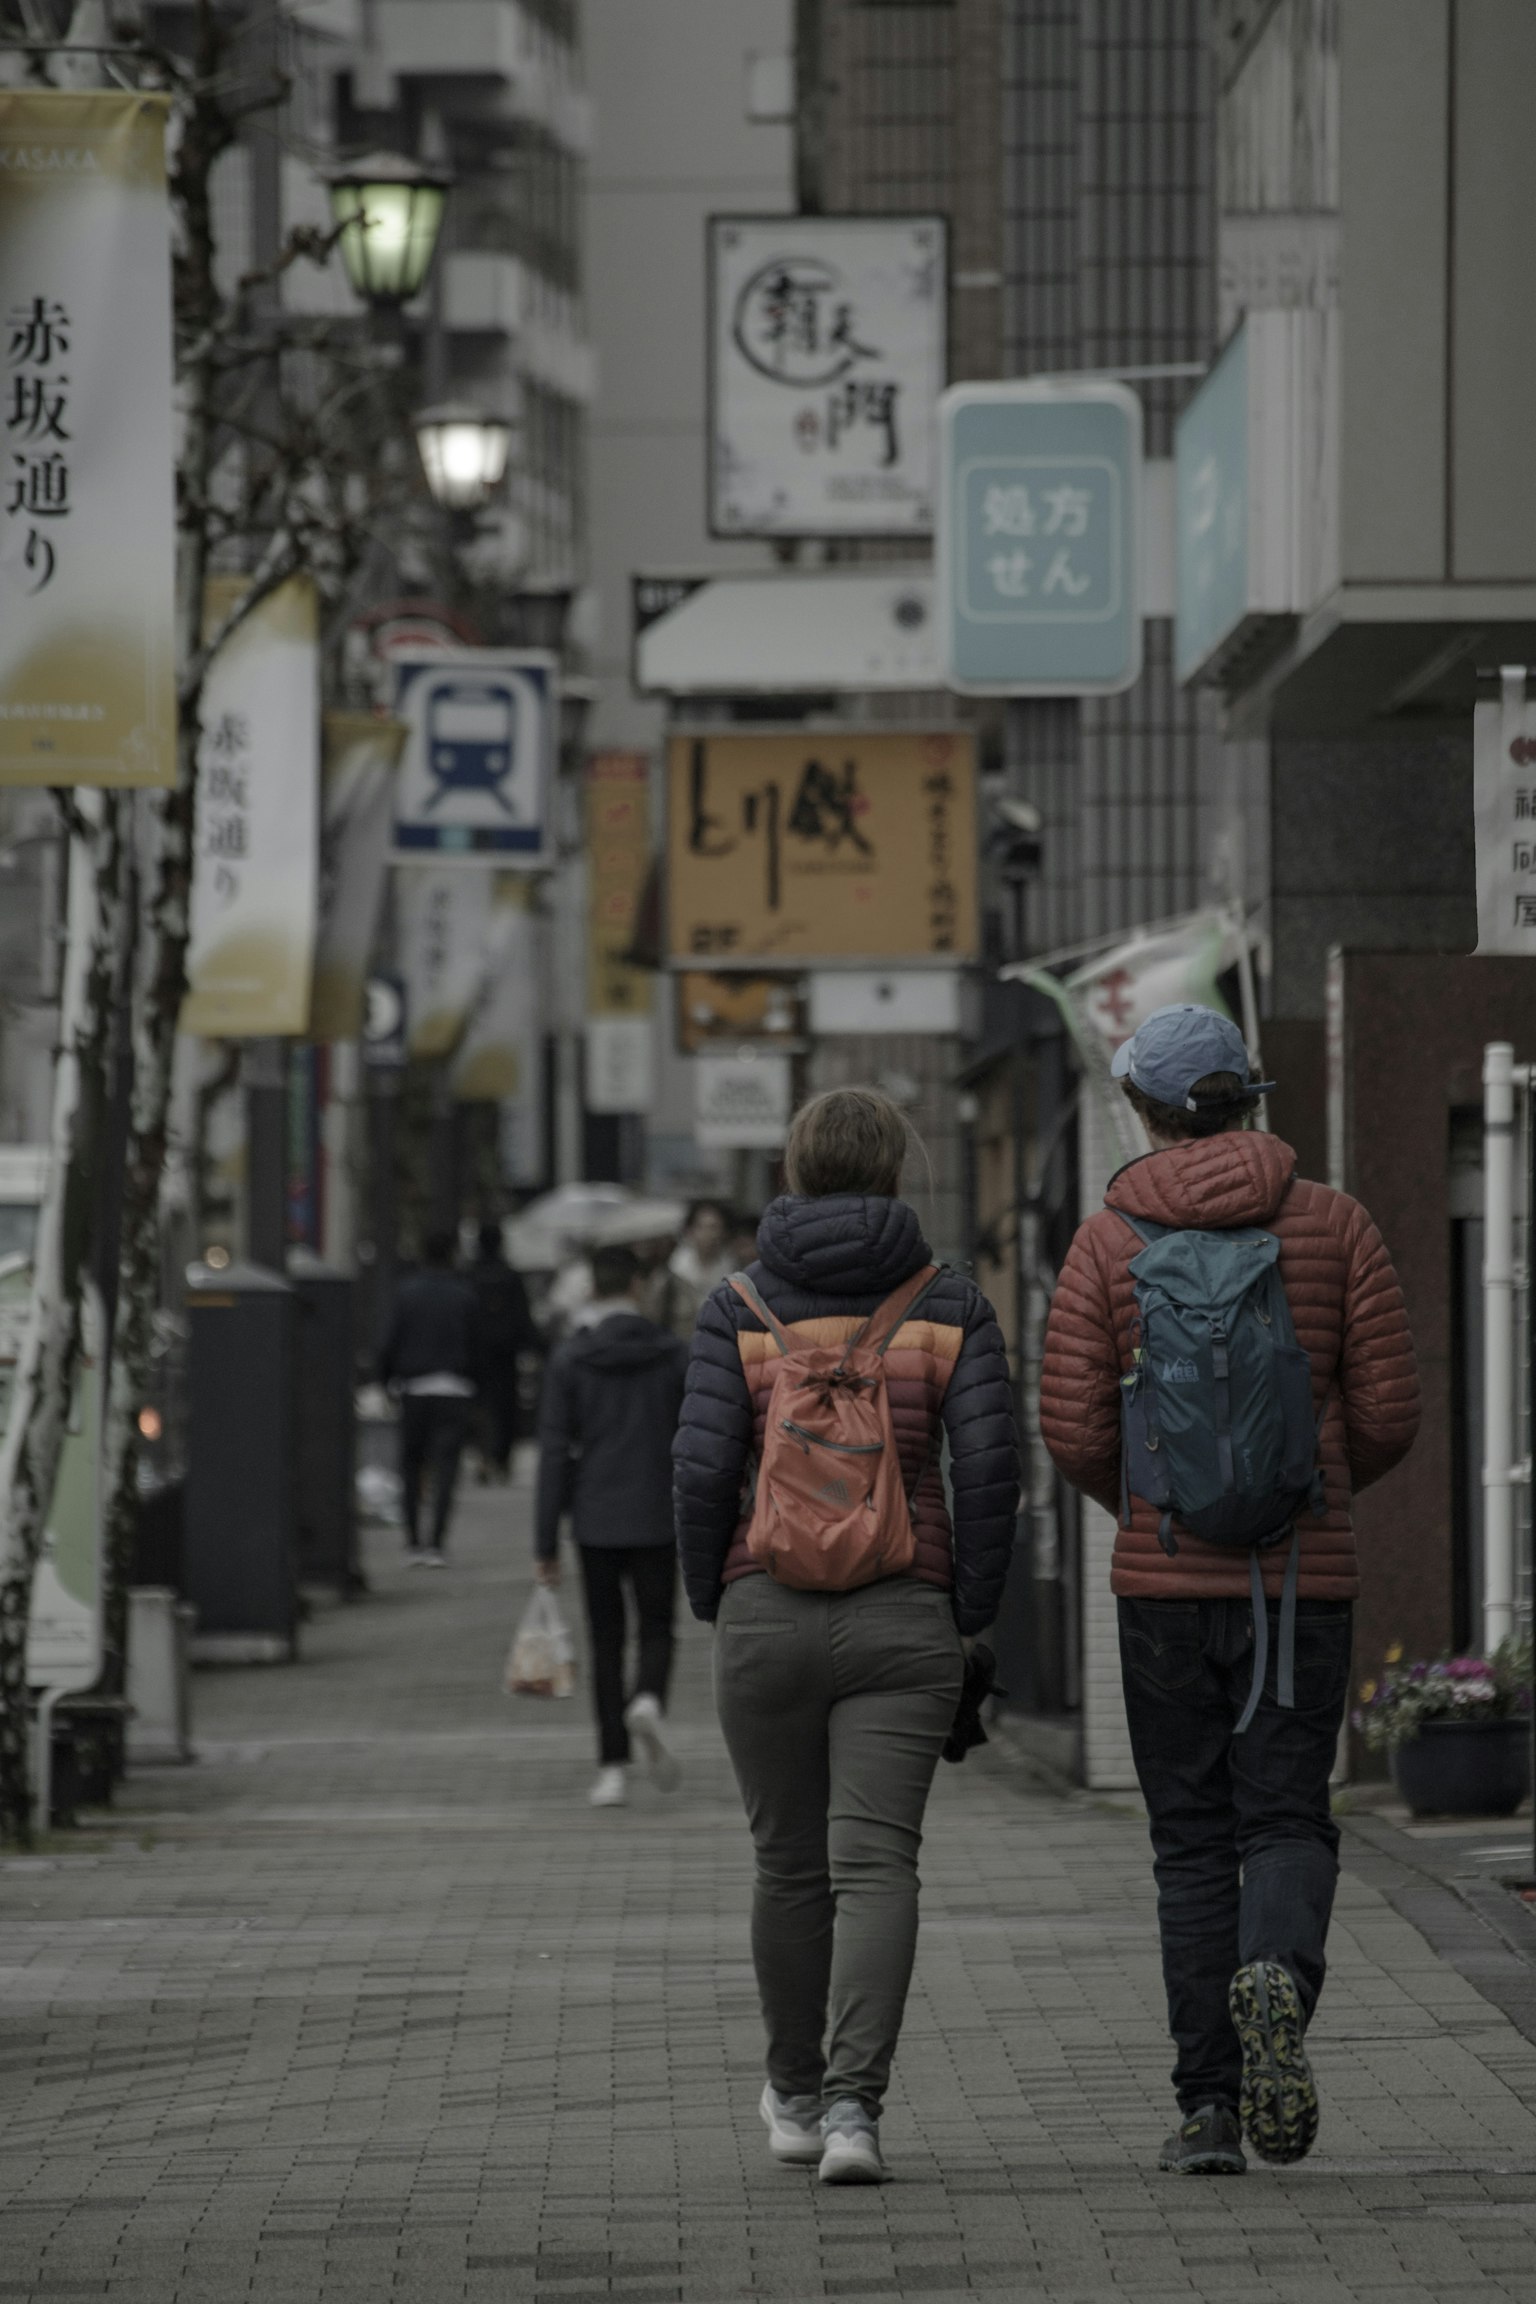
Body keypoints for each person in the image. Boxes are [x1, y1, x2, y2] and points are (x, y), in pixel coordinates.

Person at [1039, 1004, 1419, 2178]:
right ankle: (1277, 1978)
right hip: (1304, 1579)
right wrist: (1313, 1489)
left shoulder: (1107, 1239)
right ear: (1249, 1095)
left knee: (1191, 1843)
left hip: (1161, 1588)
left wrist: (1156, 1510)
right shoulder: (1336, 1223)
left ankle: (1208, 2110)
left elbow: (1074, 1429)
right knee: (1288, 1817)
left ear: (1144, 1109)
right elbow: (1390, 1411)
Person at [673, 1088, 1019, 2185]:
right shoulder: (950, 1302)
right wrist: (967, 1612)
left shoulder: (736, 1305)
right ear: (897, 1173)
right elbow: (992, 1471)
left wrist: (715, 1596)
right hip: (905, 1611)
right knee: (876, 1866)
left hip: (764, 1608)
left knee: (787, 1865)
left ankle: (794, 2094)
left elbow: (700, 1469)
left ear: (794, 1170)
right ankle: (855, 2114)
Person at [535, 1242, 690, 1808]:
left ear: (590, 1288)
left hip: (595, 1516)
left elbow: (555, 1451)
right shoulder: (673, 1354)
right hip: (657, 1512)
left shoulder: (571, 1359)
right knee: (657, 1627)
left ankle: (612, 1769)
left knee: (605, 1640)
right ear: (637, 1287)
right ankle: (647, 1697)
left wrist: (545, 1541)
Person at [379, 1227, 482, 1565]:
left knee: (411, 1464)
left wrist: (385, 1380)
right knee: (446, 1466)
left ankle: (413, 1541)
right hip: (454, 1387)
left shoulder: (406, 1293)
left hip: (414, 1387)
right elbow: (476, 1345)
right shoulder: (464, 1295)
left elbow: (389, 1341)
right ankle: (436, 1542)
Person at [469, 1219, 538, 1481]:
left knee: (480, 1406)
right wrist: (532, 1345)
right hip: (506, 1352)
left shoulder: (470, 1274)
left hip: (476, 1352)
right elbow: (522, 1315)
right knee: (506, 1405)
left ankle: (484, 1456)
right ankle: (502, 1458)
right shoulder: (510, 1275)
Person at [654, 1197, 733, 1339]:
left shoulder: (733, 1271)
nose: (709, 1234)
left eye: (714, 1227)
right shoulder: (672, 1273)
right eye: (702, 1227)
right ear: (690, 1231)